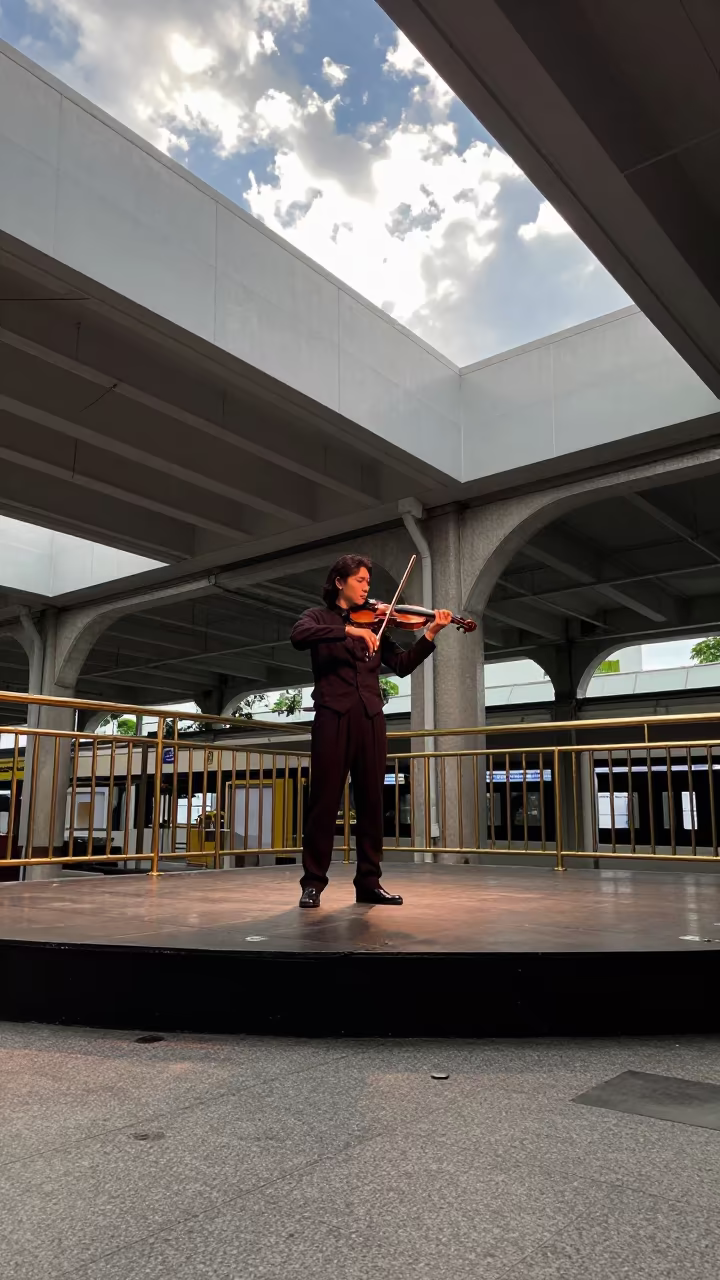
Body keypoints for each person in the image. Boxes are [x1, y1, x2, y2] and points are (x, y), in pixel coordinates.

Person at [290, 554, 452, 908]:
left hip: (370, 717)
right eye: (361, 580)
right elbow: (299, 636)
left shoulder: (378, 625)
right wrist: (349, 629)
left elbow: (403, 665)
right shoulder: (317, 618)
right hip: (332, 715)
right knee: (324, 801)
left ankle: (369, 882)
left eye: (368, 582)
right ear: (339, 582)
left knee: (372, 803)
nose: (367, 587)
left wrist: (431, 632)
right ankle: (313, 883)